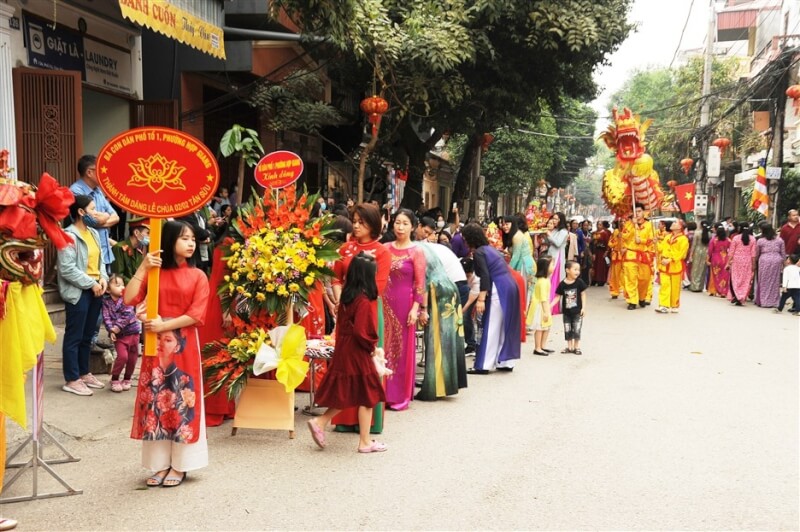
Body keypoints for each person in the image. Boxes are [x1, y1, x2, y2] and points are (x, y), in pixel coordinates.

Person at [125, 220, 210, 488]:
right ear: (170, 240)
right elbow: (128, 298)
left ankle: (181, 465)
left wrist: (164, 326)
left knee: (182, 400)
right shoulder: (154, 273)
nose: (191, 243)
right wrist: (143, 266)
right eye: (184, 238)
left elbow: (196, 314)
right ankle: (159, 464)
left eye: (193, 239)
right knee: (156, 401)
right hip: (156, 346)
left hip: (184, 345)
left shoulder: (198, 275)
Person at [306, 252, 387, 453]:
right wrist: (372, 347)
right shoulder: (363, 301)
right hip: (358, 351)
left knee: (350, 392)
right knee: (368, 395)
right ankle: (365, 442)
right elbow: (361, 331)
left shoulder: (346, 298)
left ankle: (321, 421)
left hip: (345, 348)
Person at [331, 203, 391, 434]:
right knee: (346, 362)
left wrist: (350, 302)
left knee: (367, 364)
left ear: (373, 225)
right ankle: (344, 419)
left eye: (361, 222)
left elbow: (378, 287)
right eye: (354, 221)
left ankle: (369, 423)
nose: (355, 226)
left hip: (367, 311)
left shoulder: (382, 252)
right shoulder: (345, 248)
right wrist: (340, 301)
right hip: (345, 311)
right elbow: (336, 278)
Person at [57, 195, 109, 396]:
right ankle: (72, 379)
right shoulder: (68, 235)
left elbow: (101, 261)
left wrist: (103, 278)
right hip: (79, 291)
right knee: (75, 336)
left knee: (88, 335)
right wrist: (91, 283)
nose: (96, 213)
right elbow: (67, 268)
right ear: (81, 212)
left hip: (96, 289)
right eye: (92, 209)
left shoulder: (93, 233)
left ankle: (84, 372)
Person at [461, 223, 521, 374]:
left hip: (498, 287)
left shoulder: (479, 252)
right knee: (504, 324)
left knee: (490, 325)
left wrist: (481, 299)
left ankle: (484, 365)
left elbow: (485, 276)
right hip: (510, 285)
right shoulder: (490, 249)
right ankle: (505, 361)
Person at [382, 208, 426, 411]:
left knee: (400, 349)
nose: (400, 227)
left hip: (404, 306)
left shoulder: (416, 251)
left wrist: (416, 308)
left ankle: (399, 395)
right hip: (384, 303)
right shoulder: (385, 248)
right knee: (383, 346)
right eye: (397, 222)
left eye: (405, 223)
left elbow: (420, 284)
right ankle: (381, 392)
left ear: (412, 227)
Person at [415, 243, 468, 401]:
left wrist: (423, 309)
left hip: (435, 290)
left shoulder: (414, 250)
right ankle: (449, 383)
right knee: (450, 339)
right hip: (449, 287)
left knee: (436, 339)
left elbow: (423, 281)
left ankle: (434, 387)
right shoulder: (425, 247)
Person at [70, 155, 119, 272]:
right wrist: (105, 216)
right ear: (89, 172)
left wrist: (101, 219)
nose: (104, 174)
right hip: (88, 255)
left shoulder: (98, 191)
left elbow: (116, 217)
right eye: (100, 170)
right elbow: (89, 220)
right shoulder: (76, 191)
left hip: (104, 251)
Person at [101, 274, 141, 392]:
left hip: (133, 332)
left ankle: (127, 378)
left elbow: (127, 313)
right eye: (118, 285)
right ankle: (115, 378)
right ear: (108, 289)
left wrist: (117, 327)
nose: (122, 287)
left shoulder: (127, 298)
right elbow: (106, 317)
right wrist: (111, 330)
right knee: (122, 357)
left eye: (123, 285)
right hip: (120, 335)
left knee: (132, 358)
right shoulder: (106, 302)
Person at [621, 204, 656, 310]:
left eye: (639, 211)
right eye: (635, 212)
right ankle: (632, 301)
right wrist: (633, 225)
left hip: (644, 255)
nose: (637, 213)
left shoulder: (649, 225)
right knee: (631, 278)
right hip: (630, 254)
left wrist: (641, 241)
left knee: (644, 279)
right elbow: (624, 236)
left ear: (644, 212)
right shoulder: (628, 224)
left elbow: (652, 240)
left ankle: (641, 297)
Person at [503, 215, 536, 314]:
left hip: (524, 265)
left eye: (507, 224)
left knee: (524, 292)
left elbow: (516, 257)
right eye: (503, 224)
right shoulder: (515, 235)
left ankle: (523, 315)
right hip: (523, 264)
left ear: (513, 224)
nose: (504, 226)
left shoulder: (517, 236)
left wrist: (507, 272)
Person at [655, 219, 690, 313]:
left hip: (675, 265)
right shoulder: (667, 237)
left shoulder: (683, 239)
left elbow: (681, 253)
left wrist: (670, 259)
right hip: (664, 264)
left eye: (675, 223)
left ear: (680, 227)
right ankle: (664, 305)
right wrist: (656, 243)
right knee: (664, 285)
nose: (672, 223)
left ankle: (674, 305)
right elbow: (661, 249)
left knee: (675, 286)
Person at [556, 261, 587, 355]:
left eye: (578, 270)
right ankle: (569, 347)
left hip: (577, 311)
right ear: (567, 270)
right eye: (575, 269)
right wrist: (550, 305)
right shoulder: (562, 284)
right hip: (566, 312)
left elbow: (583, 294)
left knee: (577, 329)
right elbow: (558, 297)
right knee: (567, 329)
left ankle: (576, 347)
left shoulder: (579, 282)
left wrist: (583, 308)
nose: (577, 272)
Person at [754, 224, 786, 308]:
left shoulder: (760, 241)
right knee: (774, 281)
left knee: (763, 281)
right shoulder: (780, 240)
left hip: (764, 261)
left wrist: (754, 262)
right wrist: (784, 264)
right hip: (776, 261)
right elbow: (783, 253)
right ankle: (774, 301)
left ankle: (764, 301)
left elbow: (757, 253)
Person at [111, 216, 150, 283]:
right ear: (136, 233)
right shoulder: (119, 248)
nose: (150, 236)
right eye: (148, 233)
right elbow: (118, 276)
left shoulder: (138, 251)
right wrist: (136, 284)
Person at [530, 256, 555, 356]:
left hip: (544, 306)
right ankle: (538, 347)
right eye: (552, 265)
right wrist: (546, 311)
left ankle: (542, 346)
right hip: (541, 307)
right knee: (540, 328)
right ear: (545, 267)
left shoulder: (544, 280)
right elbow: (543, 298)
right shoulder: (543, 282)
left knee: (546, 327)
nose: (553, 267)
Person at [726, 223, 756, 306]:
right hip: (747, 261)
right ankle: (741, 296)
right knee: (745, 280)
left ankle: (736, 295)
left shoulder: (736, 238)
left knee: (735, 278)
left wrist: (728, 262)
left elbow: (731, 252)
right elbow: (753, 254)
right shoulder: (753, 239)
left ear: (740, 228)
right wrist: (753, 265)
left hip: (736, 261)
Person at [545, 213, 569, 314]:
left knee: (554, 280)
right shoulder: (555, 230)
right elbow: (549, 242)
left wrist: (549, 235)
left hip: (557, 257)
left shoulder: (563, 232)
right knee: (548, 279)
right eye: (553, 218)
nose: (554, 221)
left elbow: (558, 243)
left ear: (560, 220)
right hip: (551, 255)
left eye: (556, 219)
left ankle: (553, 306)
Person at [707, 225, 731, 297]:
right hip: (725, 259)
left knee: (714, 275)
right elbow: (731, 250)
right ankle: (723, 292)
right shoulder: (728, 240)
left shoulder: (713, 240)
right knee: (724, 276)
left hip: (715, 259)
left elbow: (710, 251)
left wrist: (708, 259)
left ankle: (713, 290)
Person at [688, 221, 710, 292]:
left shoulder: (697, 233)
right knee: (702, 269)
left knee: (695, 269)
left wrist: (691, 255)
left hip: (697, 252)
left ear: (700, 225)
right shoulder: (709, 234)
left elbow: (694, 245)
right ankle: (700, 286)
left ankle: (694, 286)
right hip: (706, 252)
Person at [607, 220, 624, 299]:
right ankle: (615, 291)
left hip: (627, 255)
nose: (623, 223)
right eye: (622, 222)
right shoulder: (616, 231)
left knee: (624, 274)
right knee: (616, 274)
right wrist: (617, 238)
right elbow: (610, 244)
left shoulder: (629, 230)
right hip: (617, 255)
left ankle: (623, 291)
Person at [591, 221, 611, 286]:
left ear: (602, 226)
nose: (598, 226)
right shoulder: (594, 233)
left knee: (601, 266)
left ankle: (601, 280)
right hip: (595, 251)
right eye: (598, 224)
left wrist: (606, 251)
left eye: (600, 225)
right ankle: (594, 279)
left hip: (602, 252)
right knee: (595, 265)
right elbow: (592, 243)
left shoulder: (605, 233)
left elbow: (608, 243)